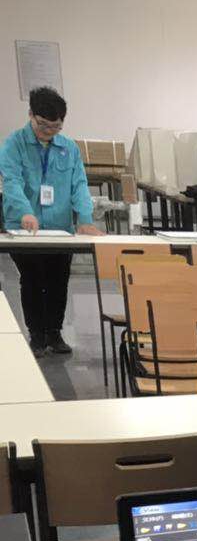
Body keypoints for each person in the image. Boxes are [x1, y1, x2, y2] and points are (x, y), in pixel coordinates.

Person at [0, 87, 103, 356]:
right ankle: (36, 335)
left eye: (55, 126)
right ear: (31, 115)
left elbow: (79, 185)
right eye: (43, 125)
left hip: (60, 228)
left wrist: (84, 219)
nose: (48, 131)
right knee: (33, 278)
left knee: (59, 279)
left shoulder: (68, 148)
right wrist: (25, 212)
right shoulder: (13, 144)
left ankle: (54, 333)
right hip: (24, 230)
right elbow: (12, 182)